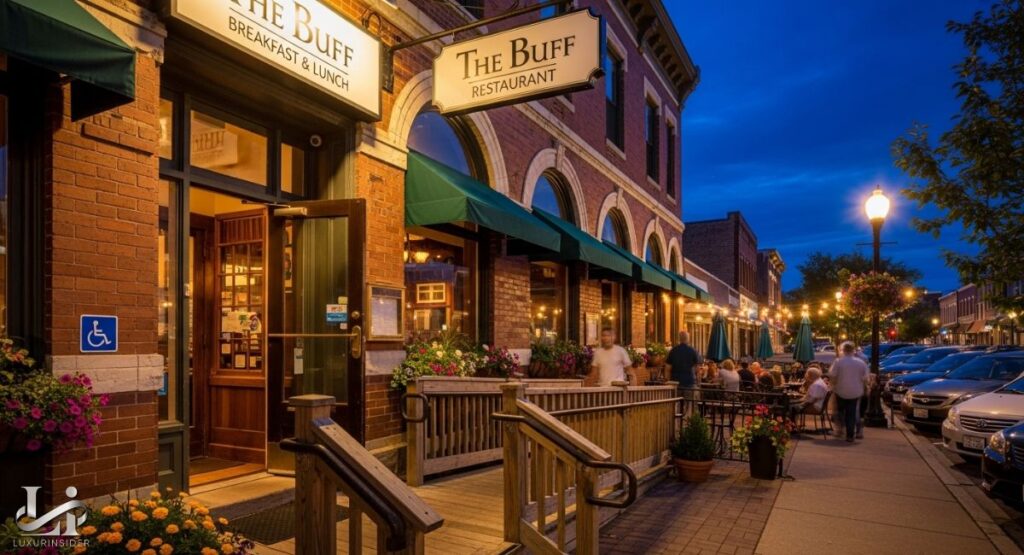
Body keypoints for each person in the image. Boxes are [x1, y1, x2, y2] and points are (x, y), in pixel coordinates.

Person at [828, 342, 870, 442]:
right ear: (853, 350)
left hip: (840, 390)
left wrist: (833, 384)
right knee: (852, 412)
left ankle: (841, 429)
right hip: (855, 391)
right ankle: (850, 435)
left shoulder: (838, 362)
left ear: (843, 350)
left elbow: (832, 375)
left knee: (840, 411)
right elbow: (866, 377)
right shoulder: (860, 362)